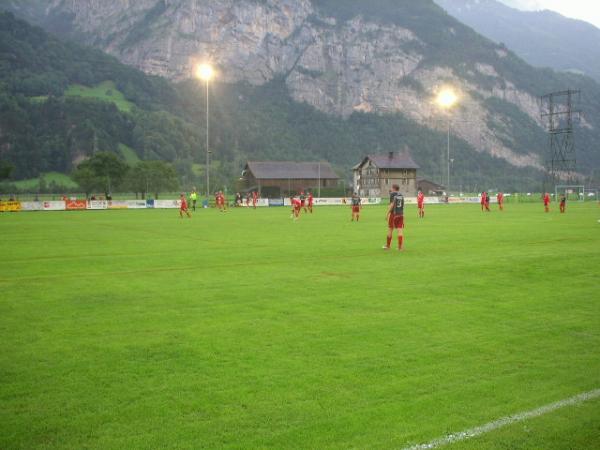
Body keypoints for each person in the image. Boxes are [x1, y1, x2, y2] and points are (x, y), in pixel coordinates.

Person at [384, 184, 405, 251]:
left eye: (392, 188)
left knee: (390, 229)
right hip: (401, 214)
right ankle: (400, 247)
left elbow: (392, 204)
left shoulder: (393, 194)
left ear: (393, 188)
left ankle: (388, 246)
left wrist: (387, 214)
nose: (391, 189)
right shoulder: (401, 195)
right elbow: (403, 206)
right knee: (400, 230)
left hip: (394, 215)